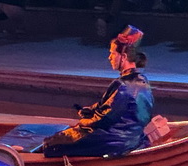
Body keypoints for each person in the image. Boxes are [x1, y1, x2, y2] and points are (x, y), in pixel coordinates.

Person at [41, 25, 154, 158]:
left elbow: (105, 118)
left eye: (112, 53)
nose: (109, 58)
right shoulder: (143, 81)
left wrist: (84, 122)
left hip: (116, 140)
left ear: (123, 57)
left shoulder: (123, 85)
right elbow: (109, 108)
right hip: (133, 137)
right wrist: (92, 111)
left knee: (53, 144)